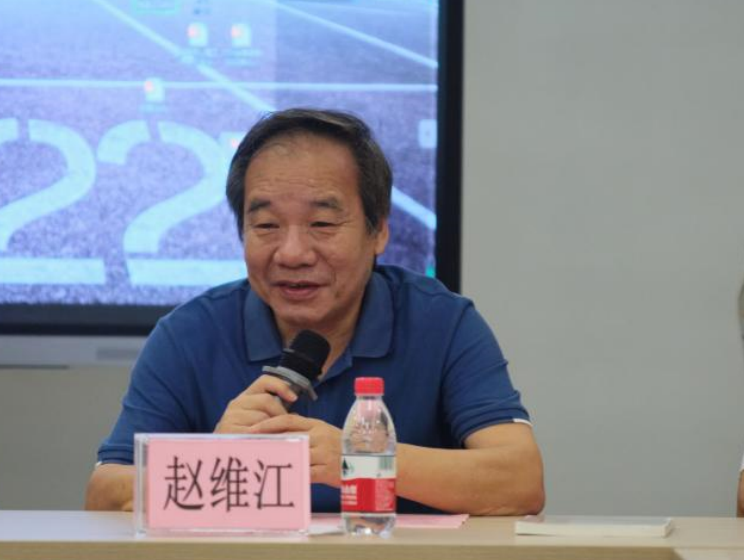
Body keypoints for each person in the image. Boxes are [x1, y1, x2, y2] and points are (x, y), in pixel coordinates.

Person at [85, 108, 545, 515]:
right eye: (266, 225)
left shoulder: (442, 323)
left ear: (378, 232)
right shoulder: (189, 334)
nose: (292, 253)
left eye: (322, 223)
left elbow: (520, 481)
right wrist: (215, 461)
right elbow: (105, 493)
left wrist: (356, 458)